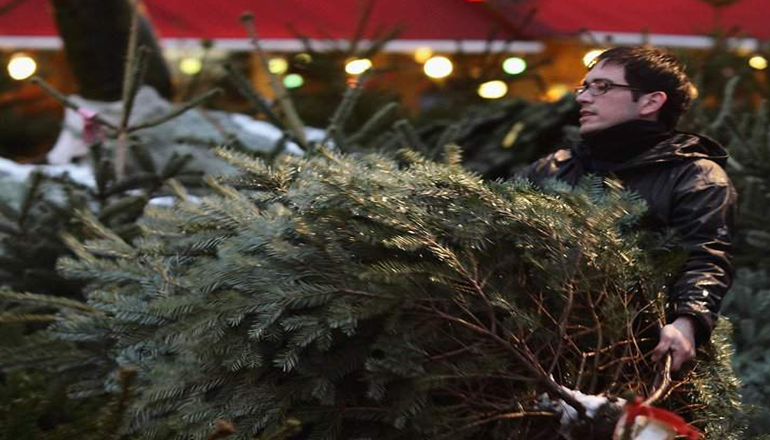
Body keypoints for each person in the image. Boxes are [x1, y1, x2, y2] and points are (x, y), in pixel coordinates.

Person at [518, 46, 737, 372]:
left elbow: (705, 258)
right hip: (534, 354)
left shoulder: (696, 177)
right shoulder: (553, 168)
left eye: (602, 87)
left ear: (651, 102)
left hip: (636, 358)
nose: (582, 98)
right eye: (585, 86)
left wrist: (687, 322)